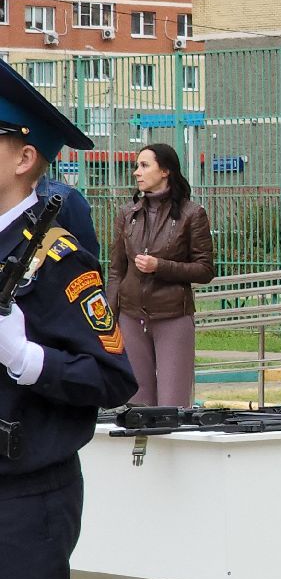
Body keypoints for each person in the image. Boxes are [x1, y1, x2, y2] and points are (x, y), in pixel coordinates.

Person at [0, 66, 140, 579]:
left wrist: (28, 360)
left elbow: (113, 377)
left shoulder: (55, 260)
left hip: (25, 496)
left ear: (25, 157)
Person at [106, 143, 214, 407]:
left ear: (165, 170)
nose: (136, 172)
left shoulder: (192, 214)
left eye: (144, 166)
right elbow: (116, 270)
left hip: (172, 316)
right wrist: (109, 317)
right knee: (137, 404)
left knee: (172, 406)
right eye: (136, 166)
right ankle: (142, 450)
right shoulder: (127, 214)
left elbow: (205, 270)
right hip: (131, 316)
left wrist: (161, 266)